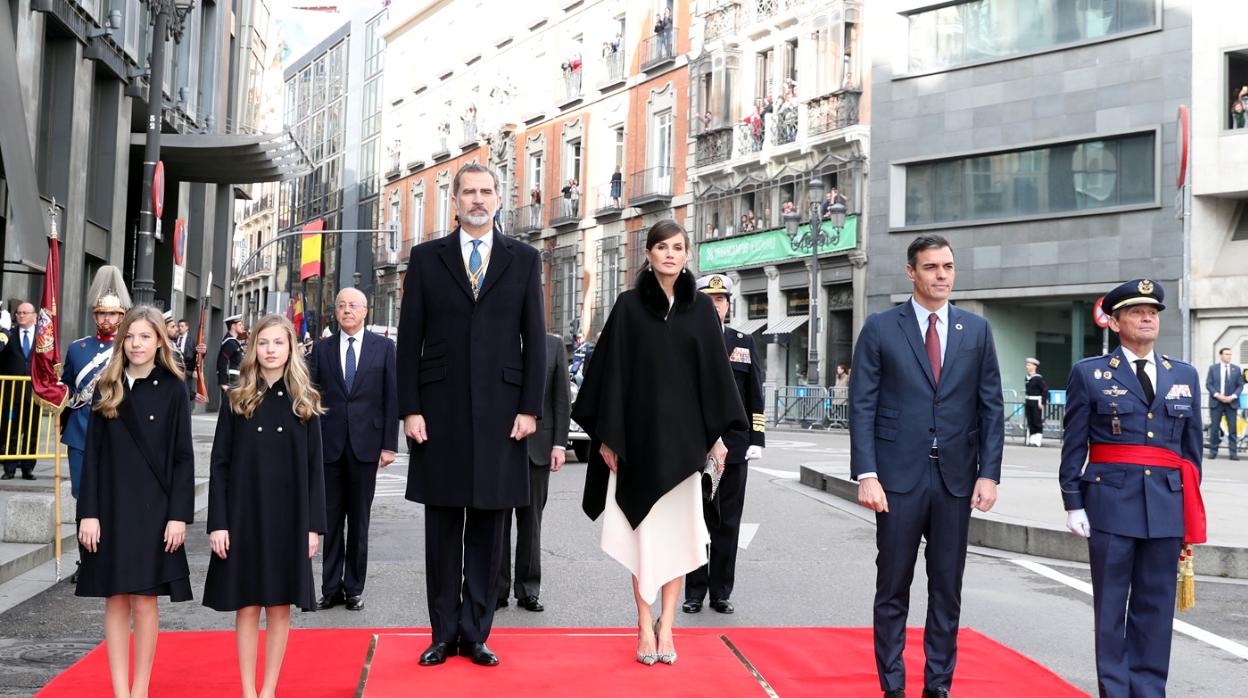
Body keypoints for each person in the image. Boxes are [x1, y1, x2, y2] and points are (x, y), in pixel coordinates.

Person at [573, 220, 747, 666]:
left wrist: (717, 438)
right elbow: (608, 376)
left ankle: (667, 626)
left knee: (678, 538)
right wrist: (608, 439)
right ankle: (642, 623)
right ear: (648, 254)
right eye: (662, 247)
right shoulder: (629, 307)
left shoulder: (702, 311)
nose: (670, 254)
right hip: (636, 443)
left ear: (687, 255)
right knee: (642, 538)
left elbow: (716, 379)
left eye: (678, 247)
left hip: (686, 447)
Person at [397, 162, 546, 668]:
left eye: (486, 191)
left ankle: (476, 632)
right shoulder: (425, 259)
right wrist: (410, 409)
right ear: (455, 201)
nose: (478, 200)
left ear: (498, 199)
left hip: (504, 415)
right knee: (442, 528)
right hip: (438, 416)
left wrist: (530, 408)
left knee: (488, 527)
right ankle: (443, 633)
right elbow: (408, 342)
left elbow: (535, 341)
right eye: (469, 192)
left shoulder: (524, 260)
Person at [848, 234, 1004, 698]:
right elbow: (863, 405)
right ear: (911, 272)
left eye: (948, 267)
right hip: (896, 479)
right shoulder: (880, 328)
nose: (942, 275)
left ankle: (938, 686)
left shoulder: (975, 331)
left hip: (956, 479)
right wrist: (867, 473)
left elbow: (991, 407)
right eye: (932, 267)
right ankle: (892, 686)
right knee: (893, 585)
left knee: (947, 589)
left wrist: (989, 473)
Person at [1059, 278, 1205, 698]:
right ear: (1116, 321)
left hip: (1165, 505)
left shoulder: (1184, 374)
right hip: (1109, 504)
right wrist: (1073, 501)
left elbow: (1191, 453)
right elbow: (1074, 443)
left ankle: (1148, 690)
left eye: (1153, 312)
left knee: (1156, 608)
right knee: (1110, 609)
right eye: (1137, 312)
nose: (1147, 318)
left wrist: (1185, 500)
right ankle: (1115, 691)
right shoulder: (1090, 373)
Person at [203, 314, 327, 698]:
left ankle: (269, 689)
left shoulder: (305, 403)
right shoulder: (237, 399)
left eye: (278, 343)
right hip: (243, 516)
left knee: (279, 607)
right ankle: (247, 690)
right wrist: (218, 523)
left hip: (288, 518)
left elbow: (315, 470)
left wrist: (312, 528)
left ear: (291, 349)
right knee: (246, 605)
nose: (270, 350)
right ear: (252, 349)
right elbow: (219, 464)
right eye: (263, 343)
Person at [75, 305, 194, 698]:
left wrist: (179, 516)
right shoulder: (107, 386)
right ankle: (119, 690)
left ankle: (140, 690)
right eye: (130, 336)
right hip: (109, 508)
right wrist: (88, 513)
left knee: (145, 601)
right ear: (121, 341)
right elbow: (91, 455)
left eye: (145, 336)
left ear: (160, 340)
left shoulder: (175, 387)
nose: (136, 343)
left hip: (154, 510)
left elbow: (182, 456)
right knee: (115, 599)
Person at [310, 288, 398, 612]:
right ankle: (330, 588)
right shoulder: (321, 350)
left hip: (367, 446)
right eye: (341, 306)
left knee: (359, 521)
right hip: (329, 447)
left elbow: (392, 398)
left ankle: (354, 588)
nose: (347, 310)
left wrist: (389, 445)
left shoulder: (384, 348)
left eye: (353, 305)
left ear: (365, 311)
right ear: (335, 312)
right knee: (330, 520)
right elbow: (311, 398)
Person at [683, 274, 765, 616]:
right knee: (696, 521)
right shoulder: (686, 339)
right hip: (693, 448)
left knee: (728, 521)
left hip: (733, 447)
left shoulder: (743, 342)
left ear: (728, 304)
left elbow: (754, 393)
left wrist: (756, 439)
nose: (715, 304)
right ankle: (694, 591)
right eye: (709, 298)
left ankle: (720, 592)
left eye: (721, 299)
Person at [497, 332, 570, 613]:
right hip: (501, 447)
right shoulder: (498, 339)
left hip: (539, 448)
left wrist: (559, 445)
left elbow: (561, 399)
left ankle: (528, 589)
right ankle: (497, 590)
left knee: (532, 523)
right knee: (498, 521)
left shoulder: (552, 345)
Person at [61, 266, 131, 499]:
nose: (106, 318)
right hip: (80, 430)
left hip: (116, 426)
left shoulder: (128, 349)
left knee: (111, 493)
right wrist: (55, 392)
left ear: (122, 316)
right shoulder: (76, 348)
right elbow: (68, 385)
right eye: (102, 313)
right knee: (82, 492)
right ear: (94, 315)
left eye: (112, 313)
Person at [0, 302, 38, 480]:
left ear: (34, 316)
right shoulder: (8, 335)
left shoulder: (43, 337)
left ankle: (28, 468)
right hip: (11, 392)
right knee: (10, 431)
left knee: (31, 432)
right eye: (18, 313)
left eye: (25, 313)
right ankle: (9, 468)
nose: (21, 316)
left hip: (34, 392)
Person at [1205, 346, 1243, 460]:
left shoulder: (1236, 369)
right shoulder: (1213, 368)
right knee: (1215, 428)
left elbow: (1240, 385)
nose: (1229, 356)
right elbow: (1209, 384)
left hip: (1231, 402)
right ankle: (1213, 451)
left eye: (1230, 354)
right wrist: (1218, 395)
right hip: (1217, 401)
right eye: (1226, 354)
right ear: (1221, 355)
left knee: (1232, 428)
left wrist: (1232, 396)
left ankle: (1233, 453)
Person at [217, 315, 245, 394]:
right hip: (230, 383)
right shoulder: (230, 342)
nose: (242, 326)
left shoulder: (234, 342)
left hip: (235, 381)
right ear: (233, 326)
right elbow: (222, 362)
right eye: (240, 325)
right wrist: (223, 383)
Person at [1024, 358, 1048, 447]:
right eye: (1027, 365)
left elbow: (1045, 390)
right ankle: (1031, 439)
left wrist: (1043, 402)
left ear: (1034, 366)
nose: (1027, 366)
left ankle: (1037, 440)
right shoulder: (1027, 377)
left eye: (1029, 365)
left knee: (1037, 420)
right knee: (1030, 420)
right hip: (1028, 401)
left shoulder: (1038, 378)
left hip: (1036, 402)